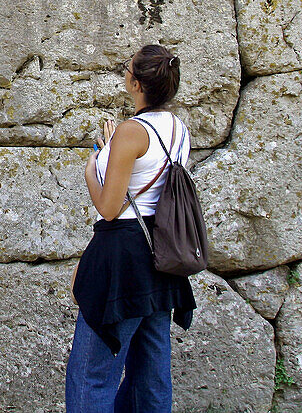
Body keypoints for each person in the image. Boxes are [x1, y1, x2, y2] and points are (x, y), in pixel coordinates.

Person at [66, 44, 196, 413]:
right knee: (151, 372)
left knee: (92, 372)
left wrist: (93, 168)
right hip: (161, 255)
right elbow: (147, 186)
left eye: (127, 68)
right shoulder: (178, 129)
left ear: (136, 83)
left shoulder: (130, 131)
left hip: (123, 257)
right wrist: (114, 153)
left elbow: (109, 208)